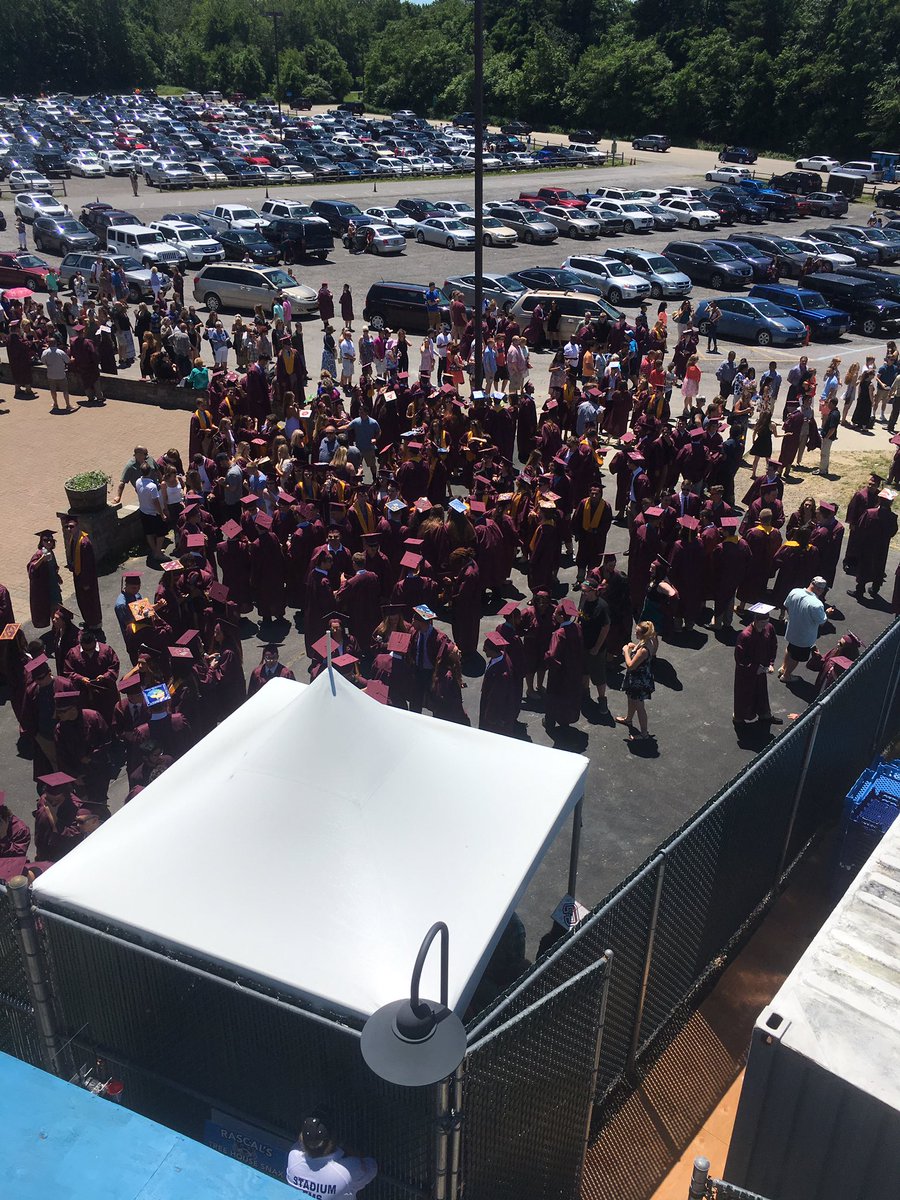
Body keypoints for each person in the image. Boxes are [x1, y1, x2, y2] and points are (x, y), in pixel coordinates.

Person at [286, 1110, 377, 1197]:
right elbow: (372, 1166)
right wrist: (346, 1147)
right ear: (333, 1140)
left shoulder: (293, 1157)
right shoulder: (348, 1169)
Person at [733, 603, 780, 726]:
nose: (764, 625)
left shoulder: (769, 628)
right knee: (744, 694)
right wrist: (754, 668)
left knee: (761, 693)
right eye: (761, 622)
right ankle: (739, 718)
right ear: (755, 620)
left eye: (766, 622)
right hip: (746, 673)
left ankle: (765, 715)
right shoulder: (745, 635)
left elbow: (773, 646)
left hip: (761, 669)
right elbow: (740, 658)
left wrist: (771, 663)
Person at [780, 577, 831, 682]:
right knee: (796, 657)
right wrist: (827, 613)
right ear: (820, 589)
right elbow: (822, 622)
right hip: (804, 637)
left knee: (790, 649)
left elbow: (787, 606)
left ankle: (783, 667)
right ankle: (786, 676)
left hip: (792, 630)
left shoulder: (795, 592)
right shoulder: (816, 604)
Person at [617, 620, 657, 742]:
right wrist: (634, 647)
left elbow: (630, 665)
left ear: (643, 634)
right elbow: (640, 652)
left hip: (638, 681)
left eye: (637, 632)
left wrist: (625, 651)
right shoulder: (648, 642)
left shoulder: (644, 650)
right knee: (631, 698)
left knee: (640, 707)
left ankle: (644, 733)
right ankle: (628, 719)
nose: (635, 633)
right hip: (638, 677)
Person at [579, 576, 610, 711]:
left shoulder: (602, 607)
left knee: (598, 675)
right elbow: (579, 617)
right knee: (584, 671)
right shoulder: (584, 601)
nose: (583, 593)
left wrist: (597, 647)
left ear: (593, 591)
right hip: (584, 644)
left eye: (585, 591)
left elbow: (605, 628)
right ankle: (585, 693)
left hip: (596, 647)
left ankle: (602, 700)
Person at [41, 337, 72, 413]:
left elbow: (43, 361)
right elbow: (68, 361)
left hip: (51, 374)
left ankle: (56, 404)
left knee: (53, 390)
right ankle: (68, 405)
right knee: (65, 390)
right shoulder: (60, 352)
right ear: (56, 343)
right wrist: (73, 359)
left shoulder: (45, 352)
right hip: (61, 374)